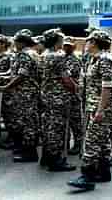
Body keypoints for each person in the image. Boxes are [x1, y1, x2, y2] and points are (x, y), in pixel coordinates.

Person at [68, 30, 112, 191]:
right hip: (93, 106)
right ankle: (103, 172)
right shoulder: (93, 60)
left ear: (94, 43)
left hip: (102, 108)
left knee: (91, 141)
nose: (86, 44)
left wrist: (100, 110)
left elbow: (107, 88)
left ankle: (87, 177)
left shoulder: (104, 60)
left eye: (88, 41)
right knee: (101, 141)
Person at [0, 29, 40, 162]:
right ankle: (24, 148)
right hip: (23, 93)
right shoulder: (27, 54)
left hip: (26, 94)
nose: (14, 44)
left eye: (16, 42)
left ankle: (30, 153)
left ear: (22, 42)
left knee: (28, 123)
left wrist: (6, 87)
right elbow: (13, 73)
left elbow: (21, 75)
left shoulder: (26, 55)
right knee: (24, 122)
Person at [39, 28, 76, 172]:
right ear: (56, 42)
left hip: (46, 95)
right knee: (57, 128)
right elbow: (66, 79)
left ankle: (46, 156)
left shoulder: (43, 55)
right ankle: (55, 161)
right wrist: (75, 89)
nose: (62, 44)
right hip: (58, 97)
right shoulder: (57, 57)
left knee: (48, 127)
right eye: (61, 41)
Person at [63, 38, 83, 156]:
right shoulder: (62, 58)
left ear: (74, 47)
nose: (66, 47)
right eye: (65, 45)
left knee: (75, 121)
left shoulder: (74, 60)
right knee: (65, 120)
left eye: (69, 46)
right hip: (64, 94)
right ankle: (65, 143)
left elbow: (67, 75)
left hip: (73, 94)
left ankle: (78, 144)